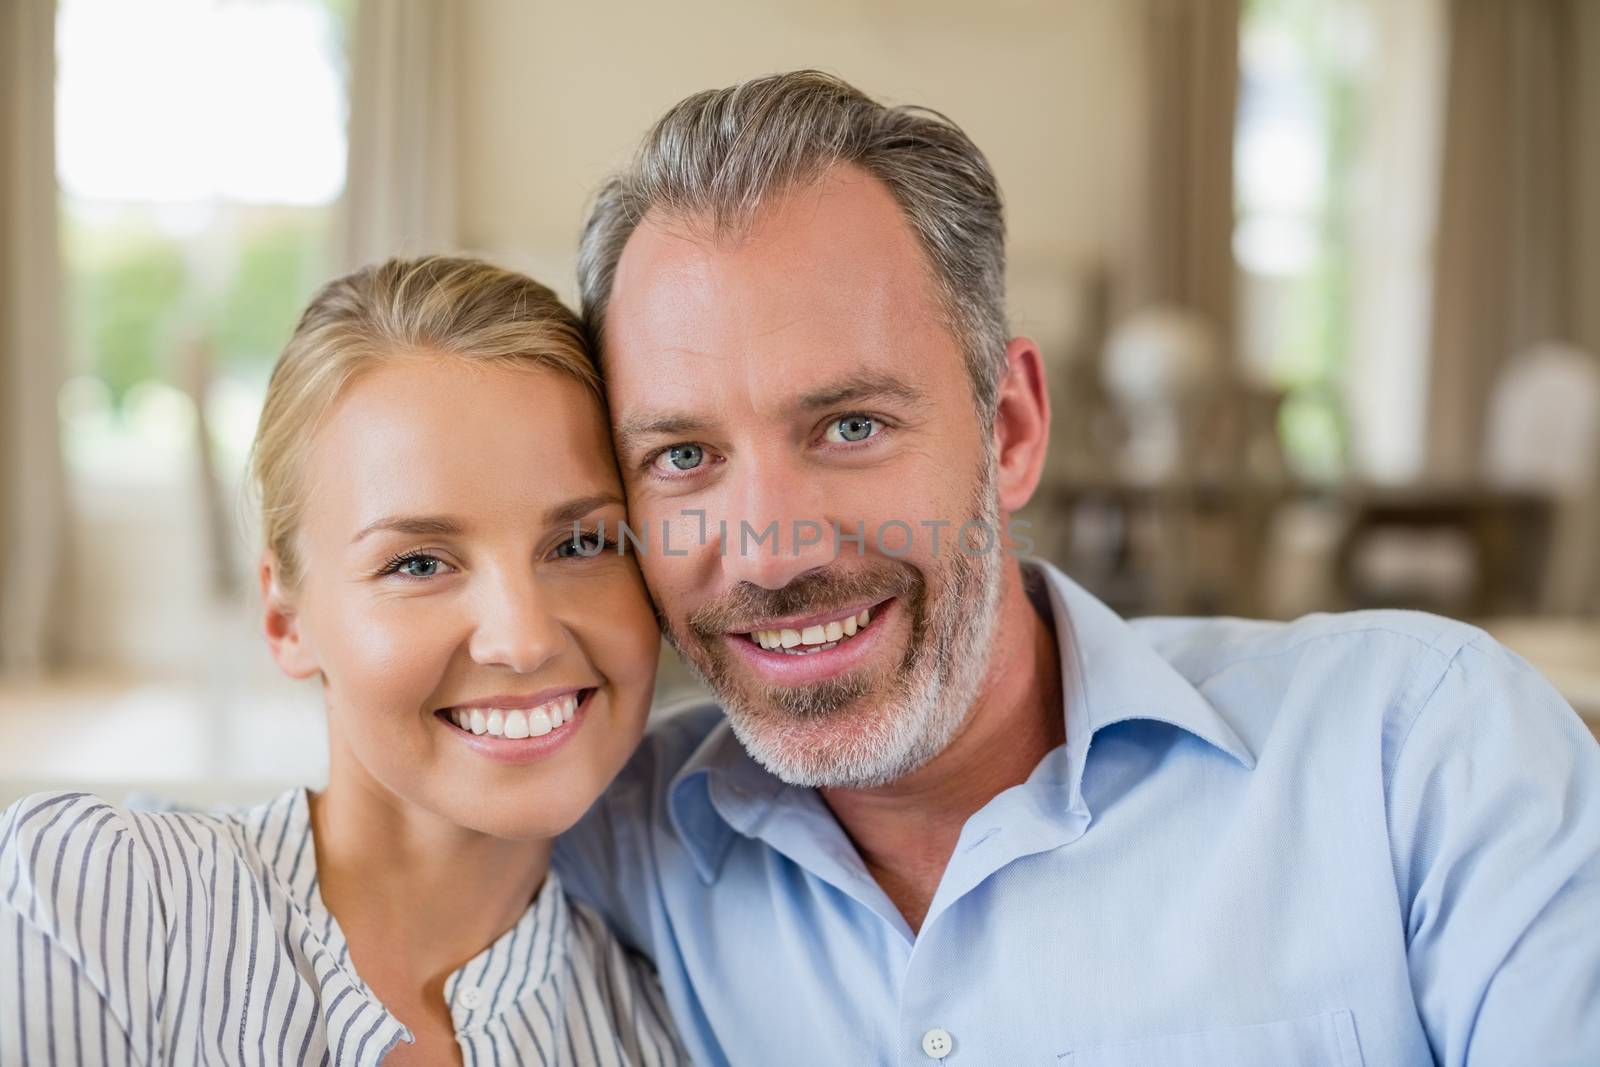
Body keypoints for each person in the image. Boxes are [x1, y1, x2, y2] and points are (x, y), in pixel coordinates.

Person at [554, 71, 1600, 1065]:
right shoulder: (599, 844)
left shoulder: (1421, 757)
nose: (768, 551)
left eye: (851, 424)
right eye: (683, 457)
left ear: (1009, 428)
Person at [0, 257, 687, 1066]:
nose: (524, 638)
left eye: (579, 543)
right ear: (286, 618)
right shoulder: (91, 906)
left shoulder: (670, 1028)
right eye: (420, 563)